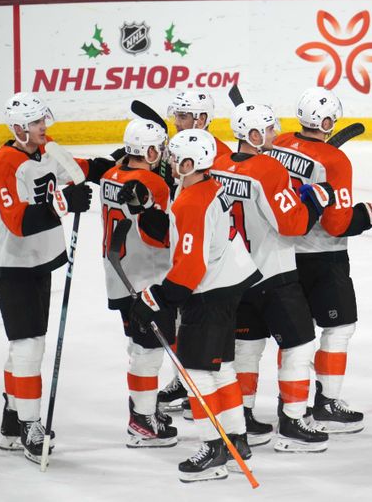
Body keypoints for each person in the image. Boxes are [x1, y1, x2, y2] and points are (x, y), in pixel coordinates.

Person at [128, 128, 262, 482]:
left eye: (175, 158)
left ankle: (213, 449)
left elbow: (190, 266)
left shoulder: (192, 200)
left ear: (190, 163)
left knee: (197, 371)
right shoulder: (206, 187)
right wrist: (146, 211)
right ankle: (236, 438)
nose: (170, 162)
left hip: (209, 291)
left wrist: (157, 298)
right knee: (223, 368)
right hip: (230, 283)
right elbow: (184, 239)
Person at [0, 92, 111, 463]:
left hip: (38, 261)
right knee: (29, 346)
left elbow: (80, 168)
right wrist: (64, 204)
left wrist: (123, 162)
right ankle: (29, 424)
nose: (45, 127)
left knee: (27, 342)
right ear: (19, 128)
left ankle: (13, 419)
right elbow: (19, 222)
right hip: (10, 262)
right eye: (37, 123)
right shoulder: (4, 163)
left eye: (45, 120)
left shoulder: (47, 148)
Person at [269, 87, 372, 434]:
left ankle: (289, 404)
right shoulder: (335, 161)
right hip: (323, 257)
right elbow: (337, 222)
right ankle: (326, 403)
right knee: (338, 330)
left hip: (281, 255)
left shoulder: (279, 143)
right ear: (327, 121)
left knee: (294, 336)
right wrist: (371, 214)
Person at [211, 103, 334, 452]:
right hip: (272, 275)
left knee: (246, 348)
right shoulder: (269, 168)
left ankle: (244, 417)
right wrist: (314, 202)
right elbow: (291, 224)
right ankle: (293, 423)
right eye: (267, 129)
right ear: (251, 135)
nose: (273, 134)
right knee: (298, 345)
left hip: (235, 276)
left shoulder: (218, 167)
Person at [99, 118, 178, 446]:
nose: (161, 153)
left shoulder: (109, 176)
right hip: (145, 276)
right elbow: (158, 237)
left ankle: (142, 411)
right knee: (147, 350)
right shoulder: (154, 185)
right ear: (147, 150)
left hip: (116, 273)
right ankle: (142, 422)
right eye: (157, 148)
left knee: (138, 345)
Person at [159, 89, 233, 416]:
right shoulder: (179, 153)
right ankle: (183, 380)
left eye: (184, 116)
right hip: (189, 251)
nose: (176, 122)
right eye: (176, 115)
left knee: (212, 341)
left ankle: (201, 392)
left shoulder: (221, 154)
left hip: (212, 262)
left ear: (202, 119)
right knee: (179, 322)